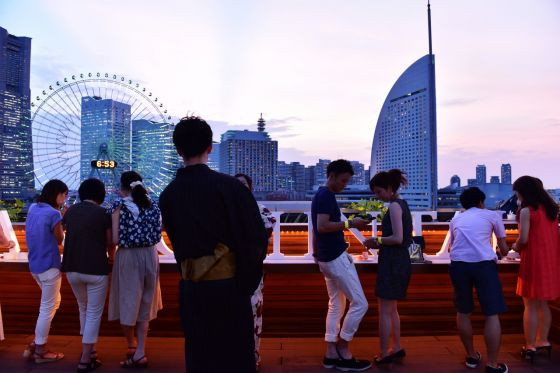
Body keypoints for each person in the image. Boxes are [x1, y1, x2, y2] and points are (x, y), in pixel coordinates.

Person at [159, 116, 268, 373]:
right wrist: (244, 285)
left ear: (178, 150)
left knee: (200, 356)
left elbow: (176, 242)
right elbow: (255, 241)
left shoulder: (168, 195)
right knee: (235, 357)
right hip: (231, 289)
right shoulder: (231, 188)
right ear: (210, 147)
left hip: (192, 289)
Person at [312, 159, 371, 372]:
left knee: (336, 305)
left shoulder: (321, 194)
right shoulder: (326, 195)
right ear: (333, 176)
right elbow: (323, 226)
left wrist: (316, 252)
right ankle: (343, 349)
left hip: (326, 259)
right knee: (361, 303)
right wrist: (350, 223)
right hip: (335, 258)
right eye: (344, 181)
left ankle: (330, 354)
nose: (344, 185)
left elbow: (316, 228)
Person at [447, 187, 510, 373]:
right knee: (491, 313)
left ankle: (472, 356)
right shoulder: (492, 215)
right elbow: (504, 248)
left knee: (463, 311)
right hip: (484, 265)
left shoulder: (456, 218)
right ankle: (492, 364)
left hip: (458, 265)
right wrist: (504, 252)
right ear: (482, 202)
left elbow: (452, 246)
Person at [108, 171, 163, 369]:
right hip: (150, 255)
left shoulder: (118, 206)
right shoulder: (153, 205)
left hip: (128, 255)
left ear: (123, 187)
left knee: (128, 301)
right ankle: (140, 351)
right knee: (146, 304)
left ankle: (132, 345)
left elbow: (114, 239)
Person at [62, 178, 114, 372]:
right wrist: (112, 256)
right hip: (96, 269)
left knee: (83, 308)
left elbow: (65, 233)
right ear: (100, 194)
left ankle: (90, 351)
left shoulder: (71, 211)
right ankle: (85, 358)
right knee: (93, 312)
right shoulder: (103, 214)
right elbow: (110, 241)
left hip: (72, 268)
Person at [364, 169, 411, 365]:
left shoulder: (393, 207)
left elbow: (398, 238)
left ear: (390, 189)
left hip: (392, 260)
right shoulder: (402, 204)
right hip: (400, 260)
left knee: (384, 310)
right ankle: (397, 347)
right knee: (392, 309)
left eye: (379, 191)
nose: (377, 196)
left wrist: (377, 240)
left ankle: (384, 353)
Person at [512, 176, 560, 362]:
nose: (517, 196)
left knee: (530, 305)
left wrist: (513, 248)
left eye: (517, 192)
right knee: (543, 304)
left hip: (533, 260)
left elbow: (524, 239)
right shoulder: (551, 210)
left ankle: (530, 345)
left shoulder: (527, 211)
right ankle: (544, 341)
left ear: (524, 192)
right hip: (550, 261)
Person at [24, 179, 68, 364]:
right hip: (49, 266)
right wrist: (62, 219)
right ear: (57, 194)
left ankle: (35, 343)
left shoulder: (33, 208)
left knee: (54, 301)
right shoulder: (53, 213)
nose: (64, 199)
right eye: (64, 195)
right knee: (47, 307)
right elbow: (59, 239)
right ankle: (40, 350)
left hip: (34, 265)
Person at [235, 173, 276, 370]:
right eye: (236, 184)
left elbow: (270, 224)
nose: (240, 187)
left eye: (243, 184)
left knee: (254, 313)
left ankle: (254, 357)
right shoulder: (225, 210)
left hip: (252, 270)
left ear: (250, 188)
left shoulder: (260, 210)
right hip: (229, 271)